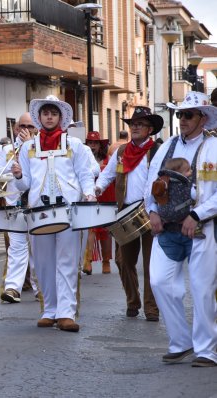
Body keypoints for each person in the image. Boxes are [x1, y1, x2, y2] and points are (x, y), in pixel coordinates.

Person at [145, 91, 217, 367]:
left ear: (203, 117)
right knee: (159, 282)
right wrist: (152, 211)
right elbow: (151, 183)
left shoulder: (214, 148)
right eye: (180, 114)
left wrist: (197, 214)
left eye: (188, 115)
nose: (182, 120)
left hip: (202, 229)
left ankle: (207, 350)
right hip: (168, 229)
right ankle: (181, 341)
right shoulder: (166, 148)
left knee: (202, 289)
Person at [12, 95, 95, 332]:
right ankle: (49, 309)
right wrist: (18, 175)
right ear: (39, 117)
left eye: (54, 113)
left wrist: (88, 194)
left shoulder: (74, 145)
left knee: (68, 261)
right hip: (39, 212)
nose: (49, 117)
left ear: (61, 117)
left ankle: (66, 312)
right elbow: (24, 184)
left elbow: (84, 174)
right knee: (43, 263)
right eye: (45, 113)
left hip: (67, 211)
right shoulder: (28, 147)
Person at [95, 106, 162, 321]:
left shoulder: (157, 151)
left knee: (152, 264)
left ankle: (151, 308)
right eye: (133, 124)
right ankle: (133, 301)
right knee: (123, 260)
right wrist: (96, 188)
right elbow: (106, 175)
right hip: (126, 212)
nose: (135, 127)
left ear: (150, 129)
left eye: (140, 124)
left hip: (151, 211)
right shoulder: (122, 152)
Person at [0, 113, 38, 304]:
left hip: (35, 206)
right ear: (16, 128)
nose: (26, 130)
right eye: (22, 126)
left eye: (30, 126)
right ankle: (12, 288)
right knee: (16, 248)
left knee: (37, 249)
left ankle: (40, 289)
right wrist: (10, 167)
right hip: (14, 206)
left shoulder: (40, 148)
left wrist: (29, 147)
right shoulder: (6, 150)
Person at [83, 131, 114, 275]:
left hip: (106, 198)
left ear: (100, 145)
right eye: (90, 143)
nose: (92, 145)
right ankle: (87, 260)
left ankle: (106, 261)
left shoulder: (107, 160)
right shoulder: (83, 159)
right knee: (90, 230)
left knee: (106, 232)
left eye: (95, 143)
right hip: (89, 198)